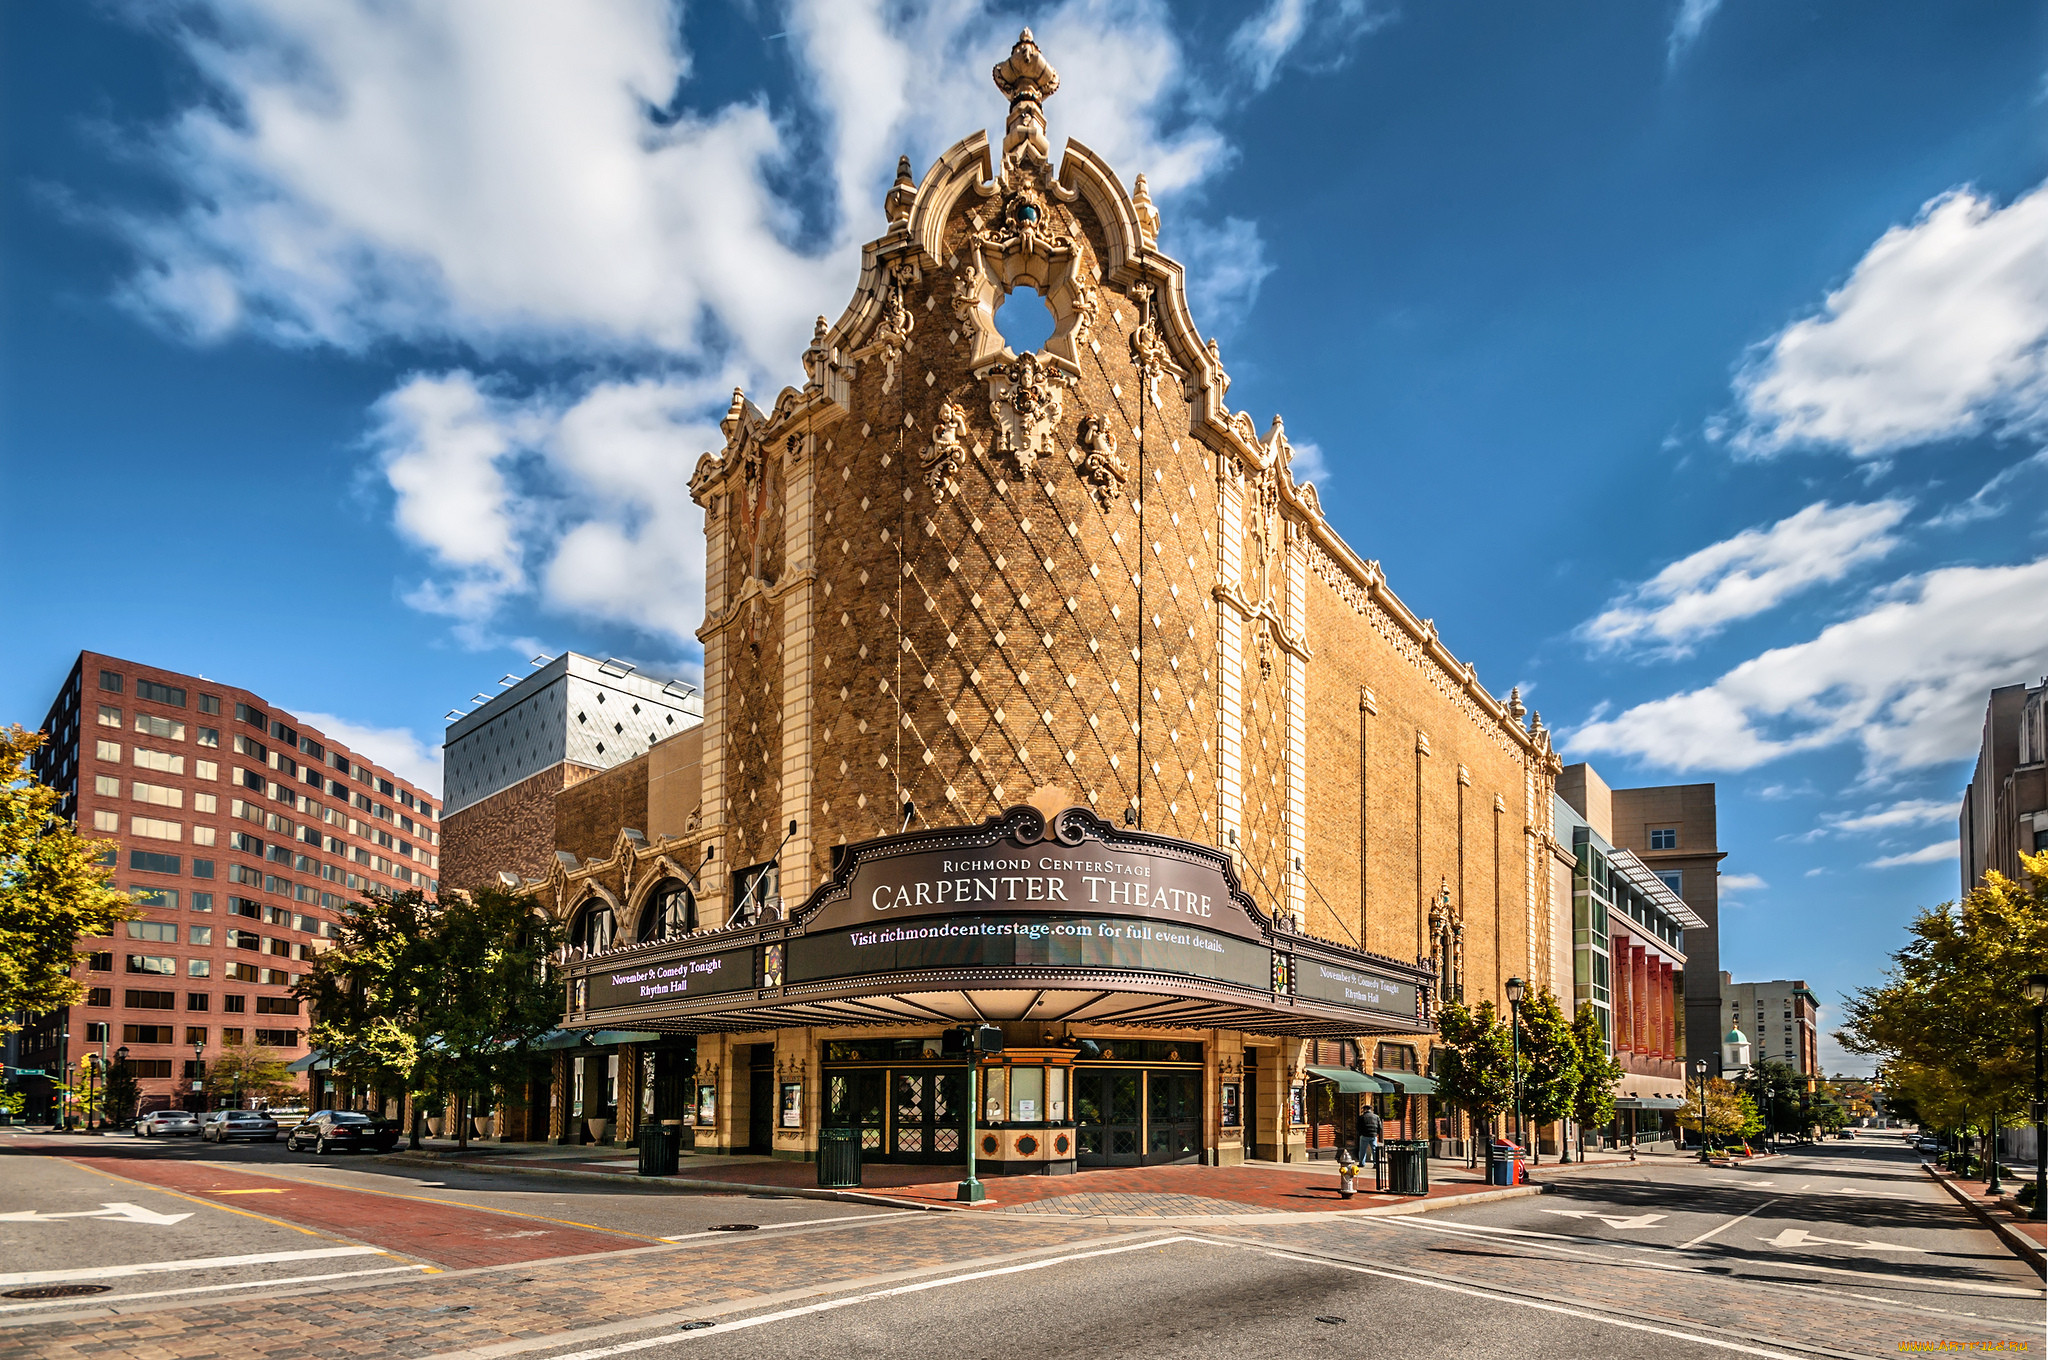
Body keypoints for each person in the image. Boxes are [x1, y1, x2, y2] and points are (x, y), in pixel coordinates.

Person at [1357, 1102, 1384, 1167]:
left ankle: (1362, 1163)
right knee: (1374, 1150)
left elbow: (1358, 1127)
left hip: (1364, 1135)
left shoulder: (1362, 1117)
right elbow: (1380, 1127)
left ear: (1365, 1109)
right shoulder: (1376, 1117)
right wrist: (1376, 1133)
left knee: (1363, 1150)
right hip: (1373, 1135)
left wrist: (1360, 1134)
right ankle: (1375, 1163)